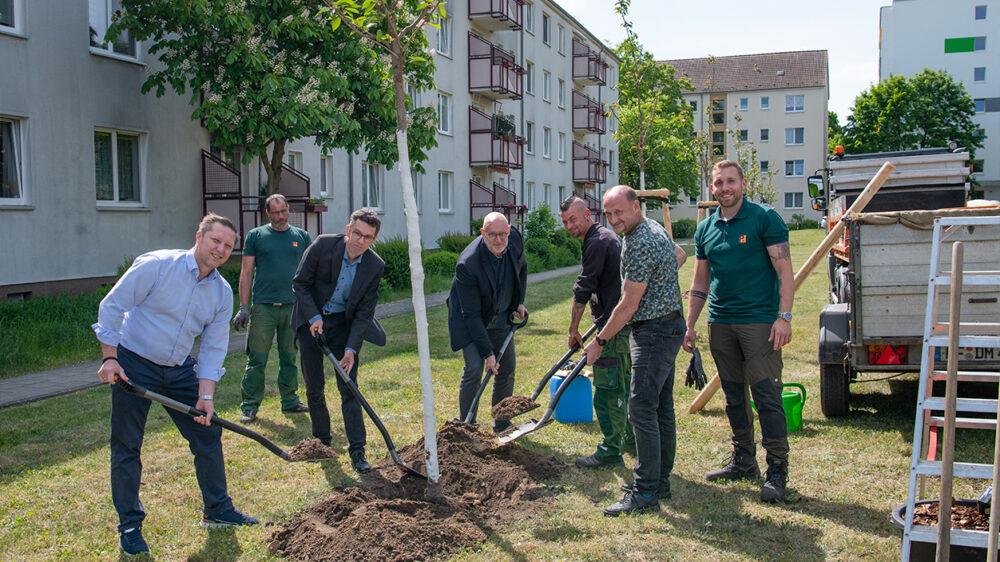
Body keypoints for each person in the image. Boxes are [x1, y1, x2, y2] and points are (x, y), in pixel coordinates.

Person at [92, 214, 258, 557]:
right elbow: (112, 306)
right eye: (216, 241)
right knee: (127, 445)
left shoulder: (222, 293)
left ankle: (217, 510)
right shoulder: (157, 266)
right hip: (134, 362)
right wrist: (110, 358)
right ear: (198, 235)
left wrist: (206, 395)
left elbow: (213, 347)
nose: (221, 249)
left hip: (179, 369)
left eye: (228, 246)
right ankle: (130, 524)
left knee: (207, 433)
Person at [683, 160, 794, 503]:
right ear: (712, 188)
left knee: (766, 396)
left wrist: (784, 317)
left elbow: (784, 270)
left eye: (731, 181)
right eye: (719, 183)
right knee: (733, 395)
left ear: (743, 184)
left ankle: (777, 468)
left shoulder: (764, 218)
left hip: (760, 322)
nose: (725, 187)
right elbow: (700, 280)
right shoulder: (707, 228)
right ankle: (744, 460)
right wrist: (690, 324)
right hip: (721, 322)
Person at [583, 185, 686, 517]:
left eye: (619, 213)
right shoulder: (653, 226)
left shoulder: (639, 241)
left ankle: (644, 492)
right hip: (670, 325)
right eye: (609, 214)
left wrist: (599, 342)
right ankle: (661, 482)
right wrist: (661, 284)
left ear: (636, 207)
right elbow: (679, 256)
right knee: (660, 409)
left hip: (653, 332)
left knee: (640, 409)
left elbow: (628, 305)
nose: (614, 220)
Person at [292, 208, 386, 474]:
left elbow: (365, 312)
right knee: (314, 385)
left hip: (343, 326)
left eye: (368, 237)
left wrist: (350, 349)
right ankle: (322, 441)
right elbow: (300, 284)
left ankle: (358, 452)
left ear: (373, 239)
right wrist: (313, 317)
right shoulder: (323, 246)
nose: (360, 240)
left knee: (349, 387)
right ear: (348, 230)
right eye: (357, 233)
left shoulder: (374, 266)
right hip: (312, 321)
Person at [559, 196, 635, 469]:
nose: (569, 226)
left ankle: (610, 450)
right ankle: (628, 439)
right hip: (617, 322)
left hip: (613, 327)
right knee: (621, 385)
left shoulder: (598, 242)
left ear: (587, 215)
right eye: (565, 221)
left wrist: (573, 329)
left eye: (573, 219)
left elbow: (583, 289)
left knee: (607, 388)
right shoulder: (604, 237)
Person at [233, 194, 311, 423]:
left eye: (283, 211)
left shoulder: (302, 236)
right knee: (256, 358)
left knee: (290, 356)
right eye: (275, 212)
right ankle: (249, 405)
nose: (280, 216)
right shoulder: (256, 236)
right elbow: (246, 273)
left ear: (289, 209)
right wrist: (244, 307)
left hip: (293, 307)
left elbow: (309, 273)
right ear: (267, 213)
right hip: (263, 308)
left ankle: (290, 401)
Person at [448, 212, 528, 432]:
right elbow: (471, 316)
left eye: (503, 234)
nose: (498, 240)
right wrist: (488, 354)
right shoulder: (468, 264)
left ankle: (502, 421)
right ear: (483, 233)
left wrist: (518, 302)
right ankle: (467, 426)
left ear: (509, 231)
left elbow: (522, 269)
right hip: (471, 319)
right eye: (492, 235)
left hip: (501, 316)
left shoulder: (514, 240)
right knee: (474, 368)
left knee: (508, 367)